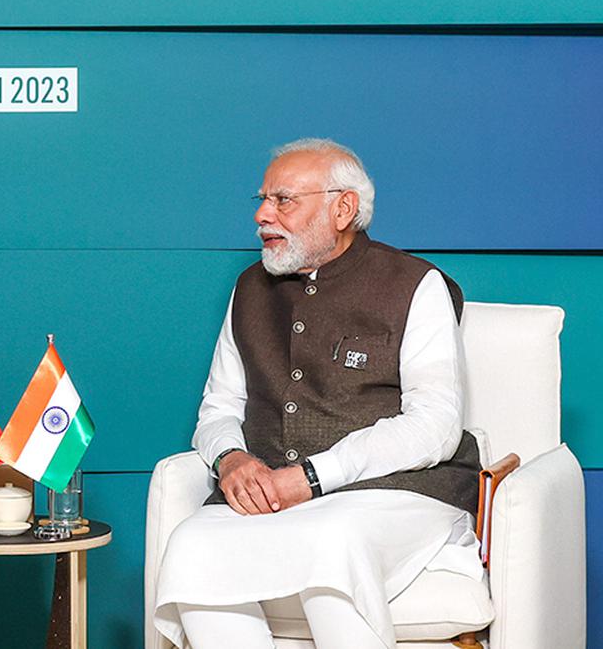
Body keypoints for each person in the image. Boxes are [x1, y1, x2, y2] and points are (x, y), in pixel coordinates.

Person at [154, 139, 483, 648]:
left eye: (284, 200)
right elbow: (219, 407)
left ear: (343, 209)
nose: (262, 215)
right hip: (276, 496)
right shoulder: (249, 289)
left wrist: (312, 477)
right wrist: (230, 459)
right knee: (191, 544)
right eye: (263, 200)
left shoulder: (415, 284)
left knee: (330, 541)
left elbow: (434, 425)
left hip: (397, 492)